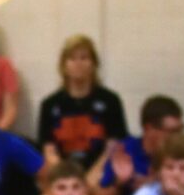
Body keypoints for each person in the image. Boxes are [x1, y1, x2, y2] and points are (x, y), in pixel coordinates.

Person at [38, 35, 127, 171]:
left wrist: (92, 178)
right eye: (72, 58)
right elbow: (49, 151)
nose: (78, 63)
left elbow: (113, 148)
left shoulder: (110, 101)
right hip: (64, 173)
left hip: (100, 172)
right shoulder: (49, 104)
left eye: (84, 58)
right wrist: (70, 179)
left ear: (93, 64)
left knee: (106, 193)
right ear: (63, 65)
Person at [93, 95, 184, 195]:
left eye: (180, 130)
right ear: (149, 128)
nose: (177, 137)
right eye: (171, 132)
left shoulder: (182, 151)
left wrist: (155, 185)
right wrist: (118, 182)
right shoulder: (125, 151)